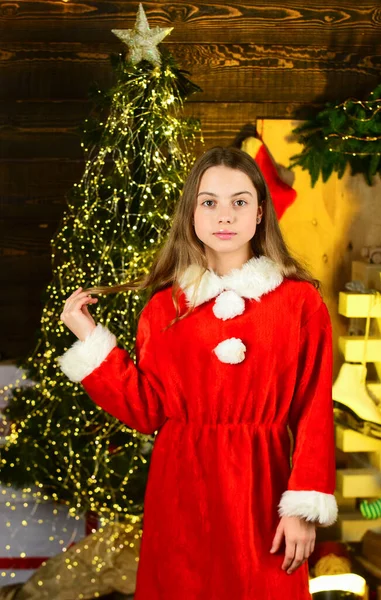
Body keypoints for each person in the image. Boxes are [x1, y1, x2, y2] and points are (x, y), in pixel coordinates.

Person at [57, 146, 338, 600]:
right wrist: (90, 338)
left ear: (260, 212)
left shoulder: (299, 304)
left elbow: (313, 411)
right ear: (191, 213)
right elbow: (145, 410)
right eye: (209, 202)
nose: (223, 216)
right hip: (181, 492)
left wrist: (303, 507)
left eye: (239, 201)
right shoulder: (163, 309)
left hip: (262, 491)